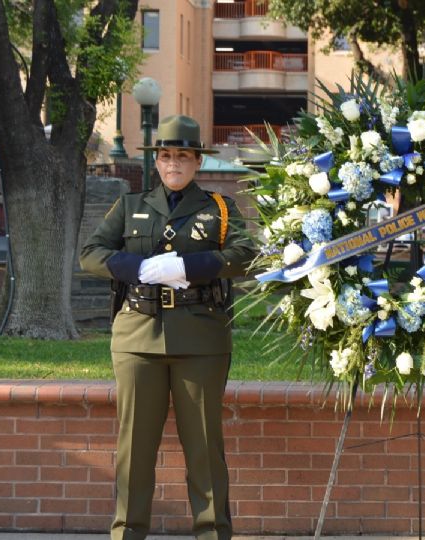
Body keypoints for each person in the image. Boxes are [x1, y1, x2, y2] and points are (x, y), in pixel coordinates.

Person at [80, 115, 253, 540]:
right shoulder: (130, 205)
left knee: (205, 449)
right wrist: (136, 267)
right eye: (166, 155)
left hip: (201, 337)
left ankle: (213, 532)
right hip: (138, 335)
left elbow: (246, 253)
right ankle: (127, 532)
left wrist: (188, 266)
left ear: (197, 162)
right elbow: (91, 253)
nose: (173, 163)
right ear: (157, 162)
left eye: (183, 156)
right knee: (134, 449)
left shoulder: (219, 208)